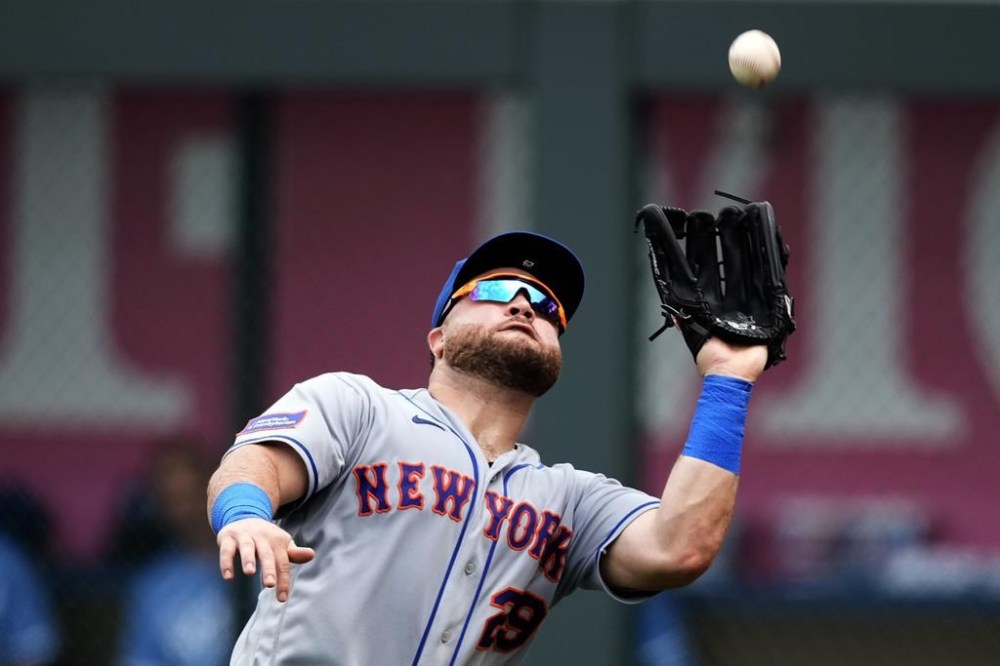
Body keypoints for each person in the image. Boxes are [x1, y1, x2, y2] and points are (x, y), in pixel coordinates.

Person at [207, 231, 767, 664]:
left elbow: (681, 549)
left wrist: (728, 379)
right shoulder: (361, 407)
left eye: (549, 310)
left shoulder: (569, 498)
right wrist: (245, 513)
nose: (525, 306)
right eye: (498, 292)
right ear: (439, 339)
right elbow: (257, 461)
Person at [117, 439, 236, 666]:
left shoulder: (263, 561)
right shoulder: (153, 585)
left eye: (193, 496)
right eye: (173, 500)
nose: (187, 512)